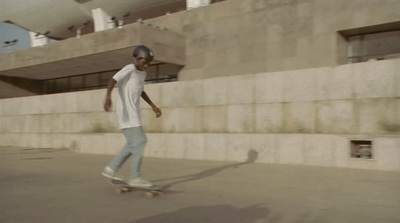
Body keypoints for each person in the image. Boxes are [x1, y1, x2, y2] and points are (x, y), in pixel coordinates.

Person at [101, 45, 162, 188]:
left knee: (132, 144)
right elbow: (112, 81)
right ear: (136, 58)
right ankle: (135, 177)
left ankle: (110, 169)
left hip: (134, 114)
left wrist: (153, 105)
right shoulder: (129, 69)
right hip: (126, 115)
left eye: (148, 63)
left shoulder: (142, 74)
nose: (145, 65)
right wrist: (108, 97)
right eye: (143, 61)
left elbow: (141, 91)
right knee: (140, 141)